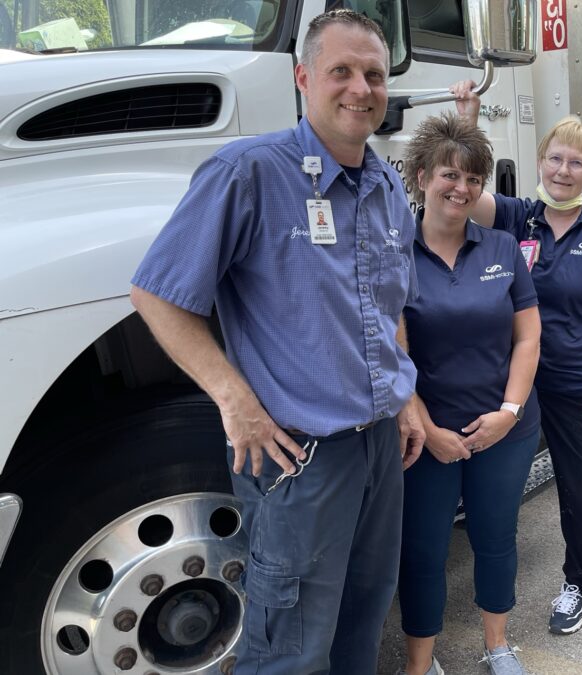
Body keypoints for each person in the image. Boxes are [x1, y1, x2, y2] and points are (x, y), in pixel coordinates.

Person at [129, 11, 424, 674]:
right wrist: (234, 400)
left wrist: (404, 398)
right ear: (303, 79)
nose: (361, 88)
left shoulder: (386, 186)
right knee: (291, 645)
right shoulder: (249, 172)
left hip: (379, 449)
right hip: (300, 458)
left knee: (364, 615)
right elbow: (157, 294)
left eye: (374, 74)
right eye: (341, 71)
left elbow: (389, 307)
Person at [451, 80, 582, 635]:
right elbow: (466, 191)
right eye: (555, 158)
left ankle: (580, 582)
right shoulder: (519, 218)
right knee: (497, 490)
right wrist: (468, 119)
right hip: (523, 385)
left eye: (576, 162)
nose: (563, 170)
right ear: (539, 161)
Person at [396, 112, 542, 675]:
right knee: (424, 548)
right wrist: (426, 428)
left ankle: (497, 644)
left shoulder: (502, 247)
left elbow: (527, 337)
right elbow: (390, 351)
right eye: (450, 175)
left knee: (495, 537)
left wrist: (509, 413)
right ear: (422, 177)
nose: (461, 188)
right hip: (424, 435)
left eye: (474, 178)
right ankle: (420, 662)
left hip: (503, 430)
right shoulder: (396, 254)